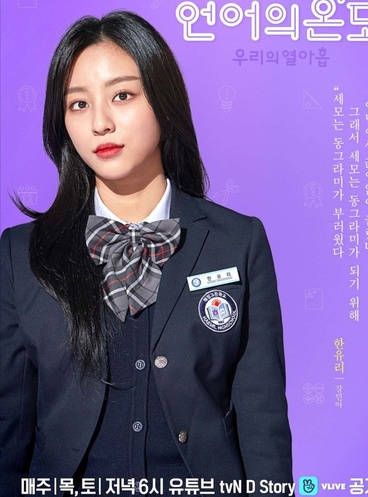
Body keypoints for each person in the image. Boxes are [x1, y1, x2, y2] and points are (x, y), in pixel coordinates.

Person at [0, 10, 294, 497]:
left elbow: (262, 418)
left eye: (122, 95)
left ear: (163, 99)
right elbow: (8, 429)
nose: (100, 123)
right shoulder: (19, 256)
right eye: (78, 104)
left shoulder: (238, 242)